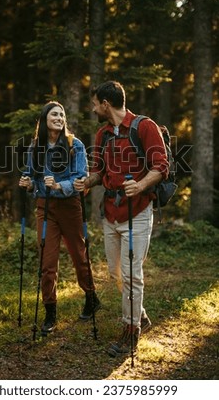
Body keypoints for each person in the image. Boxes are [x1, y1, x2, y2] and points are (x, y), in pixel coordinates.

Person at [74, 81, 169, 356]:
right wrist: (87, 182)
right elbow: (100, 171)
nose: (93, 108)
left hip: (138, 210)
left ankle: (131, 332)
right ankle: (141, 316)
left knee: (131, 275)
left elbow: (161, 166)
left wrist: (139, 185)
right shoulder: (102, 134)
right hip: (111, 213)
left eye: (95, 104)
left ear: (106, 103)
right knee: (116, 272)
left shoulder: (144, 127)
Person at [19, 101, 101, 336]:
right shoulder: (36, 147)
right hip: (44, 208)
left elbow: (80, 177)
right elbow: (32, 178)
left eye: (62, 114)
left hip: (70, 207)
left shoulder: (75, 145)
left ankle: (91, 296)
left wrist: (58, 185)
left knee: (79, 254)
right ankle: (50, 313)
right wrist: (27, 184)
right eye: (54, 114)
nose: (59, 117)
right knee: (47, 261)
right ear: (45, 119)